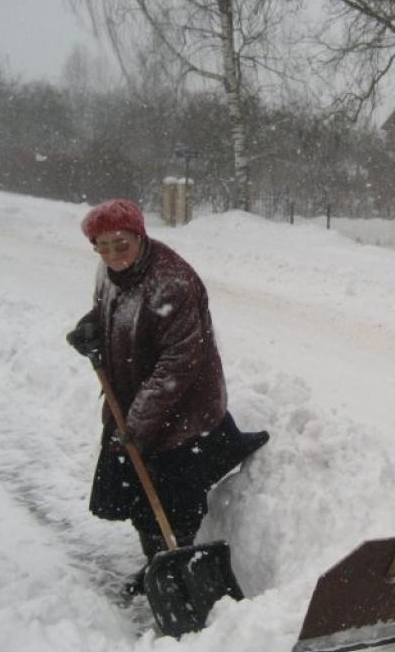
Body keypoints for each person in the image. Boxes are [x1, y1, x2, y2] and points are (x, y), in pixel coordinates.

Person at [66, 198, 268, 598]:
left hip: (184, 409)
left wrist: (139, 422)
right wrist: (89, 329)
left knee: (174, 497)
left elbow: (178, 364)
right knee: (140, 496)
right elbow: (105, 311)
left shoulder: (171, 284)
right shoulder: (108, 274)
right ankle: (159, 566)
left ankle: (182, 567)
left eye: (120, 244)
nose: (112, 256)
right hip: (136, 400)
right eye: (101, 247)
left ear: (139, 237)